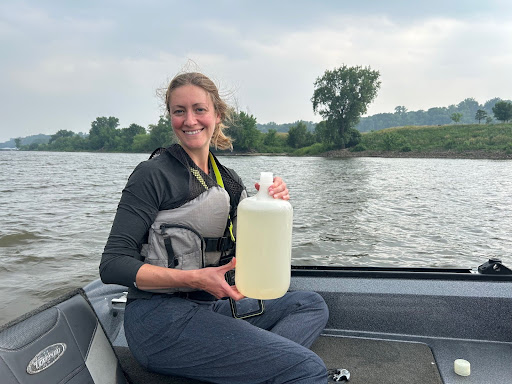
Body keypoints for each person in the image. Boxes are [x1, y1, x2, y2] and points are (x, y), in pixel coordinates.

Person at [99, 71, 329, 383]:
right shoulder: (151, 175)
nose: (189, 120)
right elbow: (112, 265)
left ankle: (260, 368)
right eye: (179, 111)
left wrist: (273, 202)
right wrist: (195, 278)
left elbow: (253, 252)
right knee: (307, 369)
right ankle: (276, 367)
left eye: (199, 109)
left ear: (217, 115)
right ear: (170, 117)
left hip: (210, 309)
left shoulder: (229, 181)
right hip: (159, 324)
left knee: (309, 304)